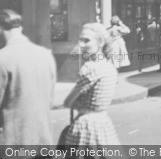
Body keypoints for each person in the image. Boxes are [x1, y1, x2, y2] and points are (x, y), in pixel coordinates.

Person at [0, 9, 56, 145]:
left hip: (14, 144)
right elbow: (50, 98)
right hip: (43, 140)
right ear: (20, 27)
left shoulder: (3, 58)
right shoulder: (45, 55)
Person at [63, 23, 120, 146]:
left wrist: (79, 105)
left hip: (85, 126)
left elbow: (68, 102)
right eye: (80, 40)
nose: (81, 45)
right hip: (103, 125)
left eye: (87, 40)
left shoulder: (90, 68)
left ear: (100, 43)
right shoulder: (110, 67)